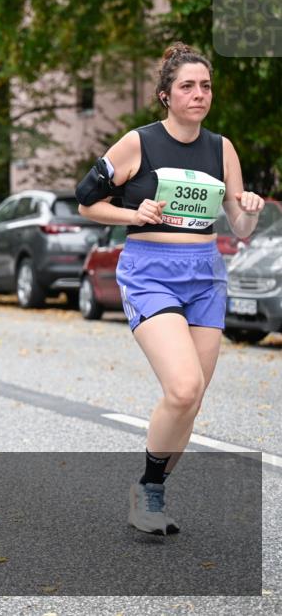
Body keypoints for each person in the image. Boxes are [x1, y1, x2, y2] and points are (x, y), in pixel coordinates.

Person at [76, 42, 265, 535]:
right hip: (150, 270)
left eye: (205, 86)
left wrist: (247, 206)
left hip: (205, 273)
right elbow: (85, 202)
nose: (198, 94)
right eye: (187, 86)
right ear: (165, 95)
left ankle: (152, 489)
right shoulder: (138, 143)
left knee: (193, 396)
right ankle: (147, 489)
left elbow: (239, 229)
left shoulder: (221, 148)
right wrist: (131, 213)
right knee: (181, 388)